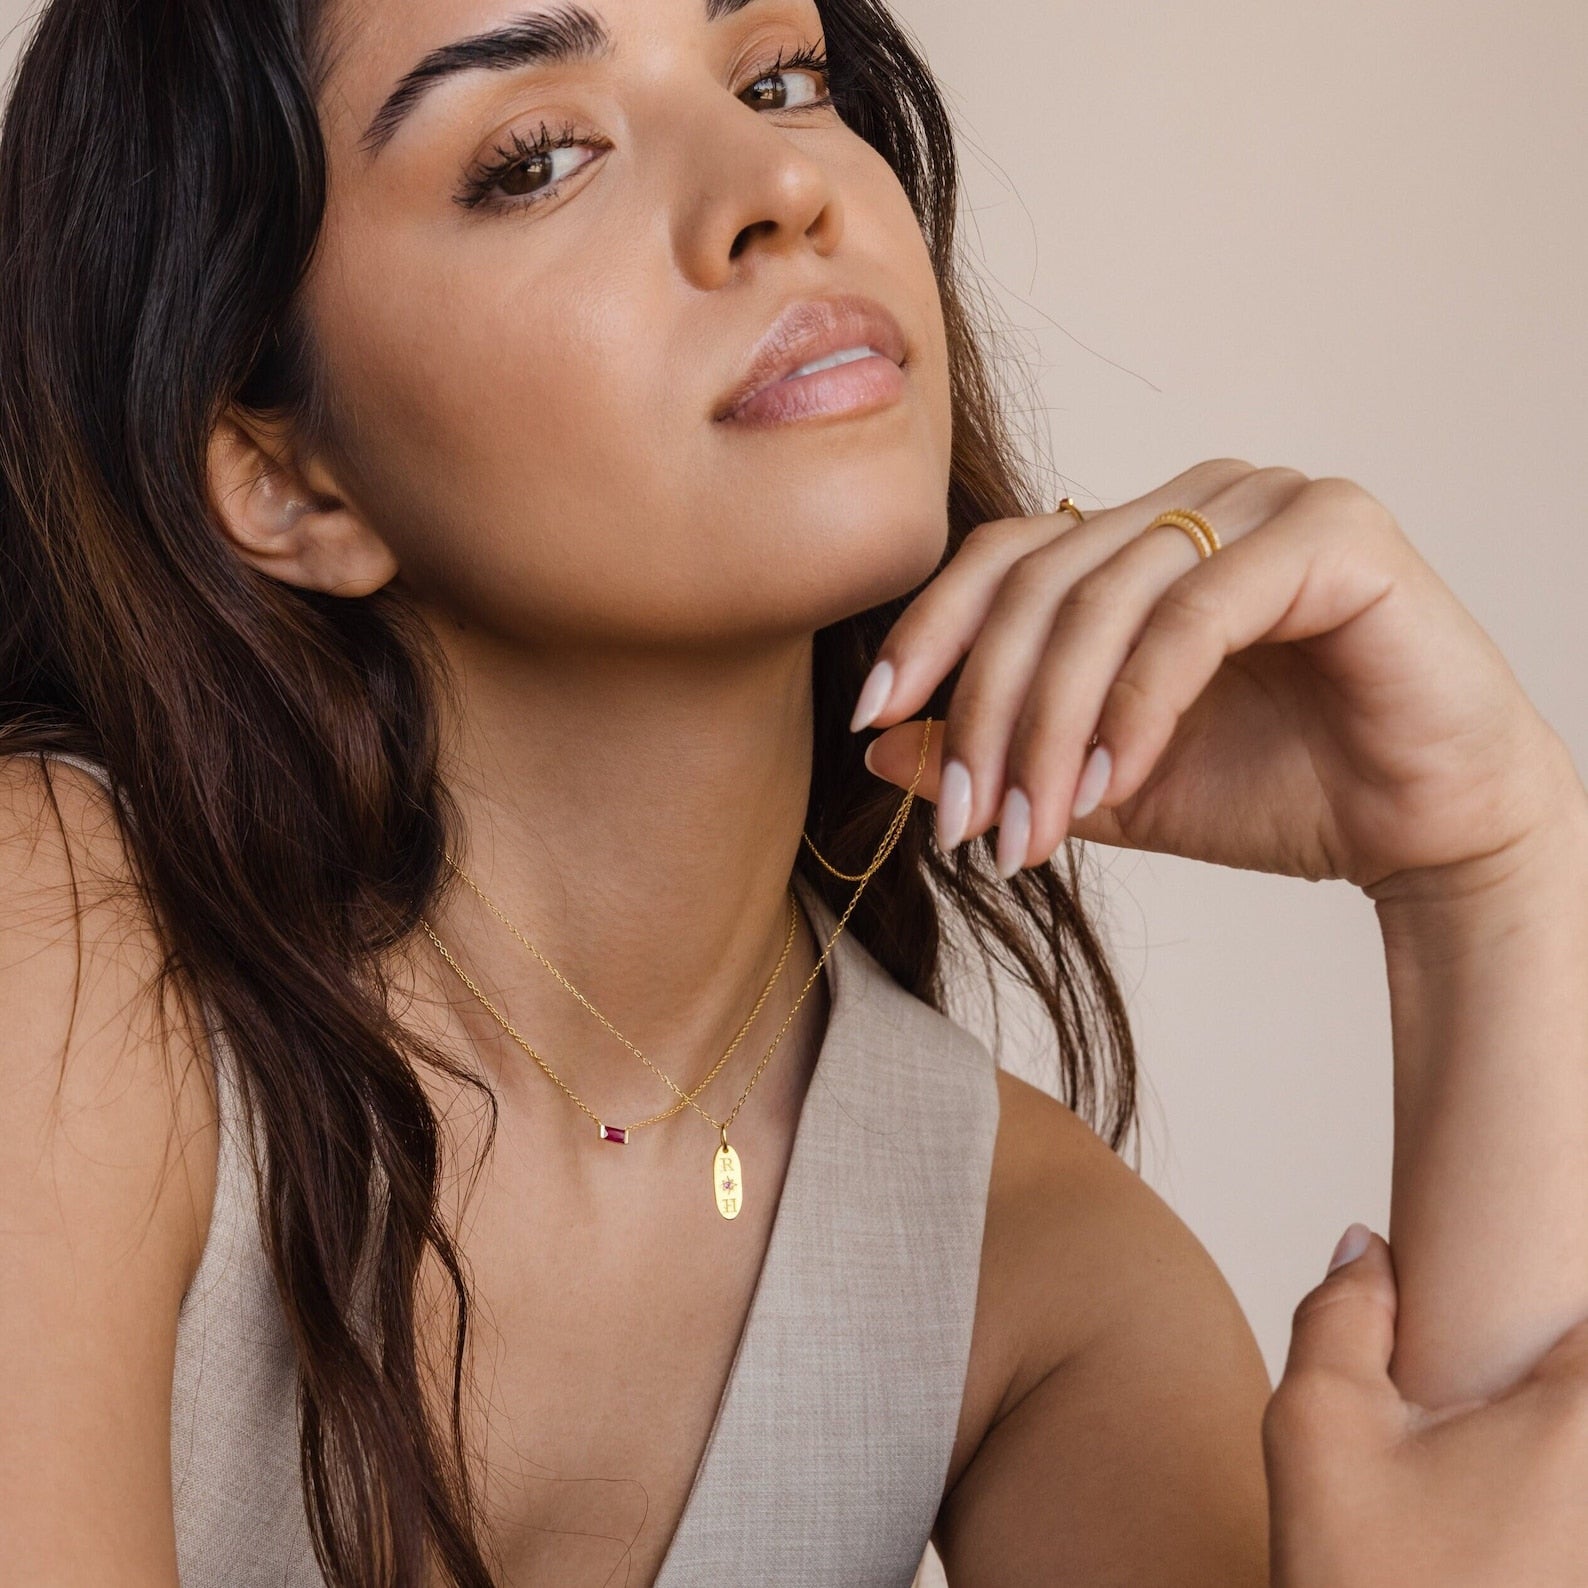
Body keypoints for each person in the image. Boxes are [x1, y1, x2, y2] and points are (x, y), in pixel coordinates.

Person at [0, 0, 1584, 1585]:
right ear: (284, 473)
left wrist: (1483, 869)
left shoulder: (1033, 1270)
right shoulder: (57, 943)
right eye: (538, 157)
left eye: (779, 77)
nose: (781, 183)